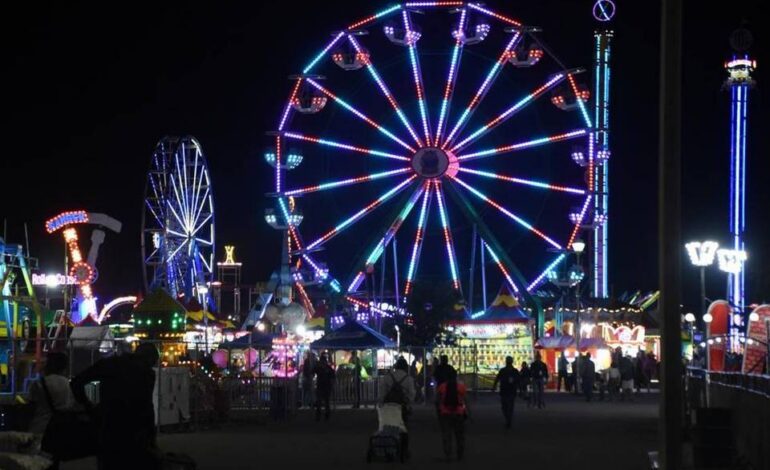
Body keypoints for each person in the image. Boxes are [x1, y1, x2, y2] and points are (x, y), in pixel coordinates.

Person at [71, 342, 160, 469]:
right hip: (136, 433)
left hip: (108, 427)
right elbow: (147, 407)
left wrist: (89, 407)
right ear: (150, 359)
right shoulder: (147, 373)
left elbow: (77, 382)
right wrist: (151, 438)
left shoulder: (110, 364)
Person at [29, 352, 75, 457]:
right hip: (61, 429)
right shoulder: (67, 383)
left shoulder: (38, 384)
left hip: (40, 427)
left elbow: (31, 407)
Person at [379, 357, 416, 458]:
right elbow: (412, 395)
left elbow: (382, 393)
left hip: (388, 407)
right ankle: (403, 451)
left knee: (388, 428)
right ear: (405, 367)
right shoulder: (408, 378)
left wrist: (381, 404)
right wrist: (408, 404)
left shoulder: (387, 377)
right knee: (404, 428)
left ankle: (389, 450)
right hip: (402, 407)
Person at [437, 370, 468, 461]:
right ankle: (460, 453)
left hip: (445, 413)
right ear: (456, 377)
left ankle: (448, 454)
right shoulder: (461, 387)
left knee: (447, 434)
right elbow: (465, 400)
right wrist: (468, 412)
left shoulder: (442, 387)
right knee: (459, 435)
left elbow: (437, 400)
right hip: (458, 413)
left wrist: (439, 410)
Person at [492, 356, 519, 429]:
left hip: (504, 391)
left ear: (506, 362)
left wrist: (494, 387)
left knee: (504, 406)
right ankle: (509, 418)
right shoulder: (515, 371)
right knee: (510, 406)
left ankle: (508, 419)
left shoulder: (503, 370)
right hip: (511, 391)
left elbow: (497, 379)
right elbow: (518, 381)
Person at [314, 354, 336, 421]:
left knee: (325, 402)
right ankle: (321, 416)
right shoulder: (320, 367)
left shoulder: (327, 368)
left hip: (325, 386)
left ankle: (325, 415)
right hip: (322, 386)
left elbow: (333, 375)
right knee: (321, 402)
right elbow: (312, 371)